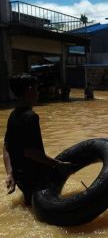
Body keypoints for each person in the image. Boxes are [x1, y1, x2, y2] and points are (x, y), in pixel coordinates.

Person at [2, 74, 74, 206]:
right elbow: (30, 152)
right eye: (36, 89)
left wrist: (10, 174)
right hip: (35, 177)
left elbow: (6, 147)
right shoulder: (31, 117)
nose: (38, 93)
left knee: (30, 206)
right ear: (29, 90)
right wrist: (58, 164)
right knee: (43, 209)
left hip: (20, 178)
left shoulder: (13, 115)